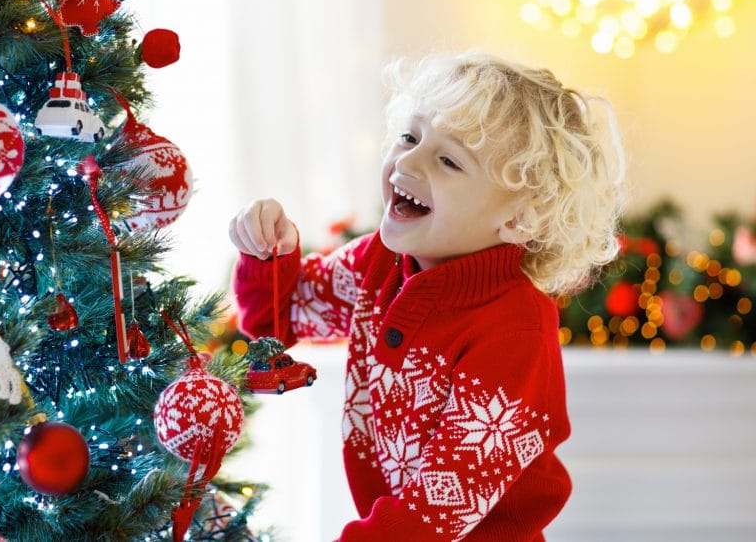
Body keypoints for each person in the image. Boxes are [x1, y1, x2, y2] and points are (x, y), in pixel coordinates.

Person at [229, 52, 626, 541]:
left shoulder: (514, 331)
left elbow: (437, 512)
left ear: (520, 217)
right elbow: (279, 316)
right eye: (410, 136)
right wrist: (270, 253)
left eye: (448, 160)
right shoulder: (379, 263)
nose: (409, 162)